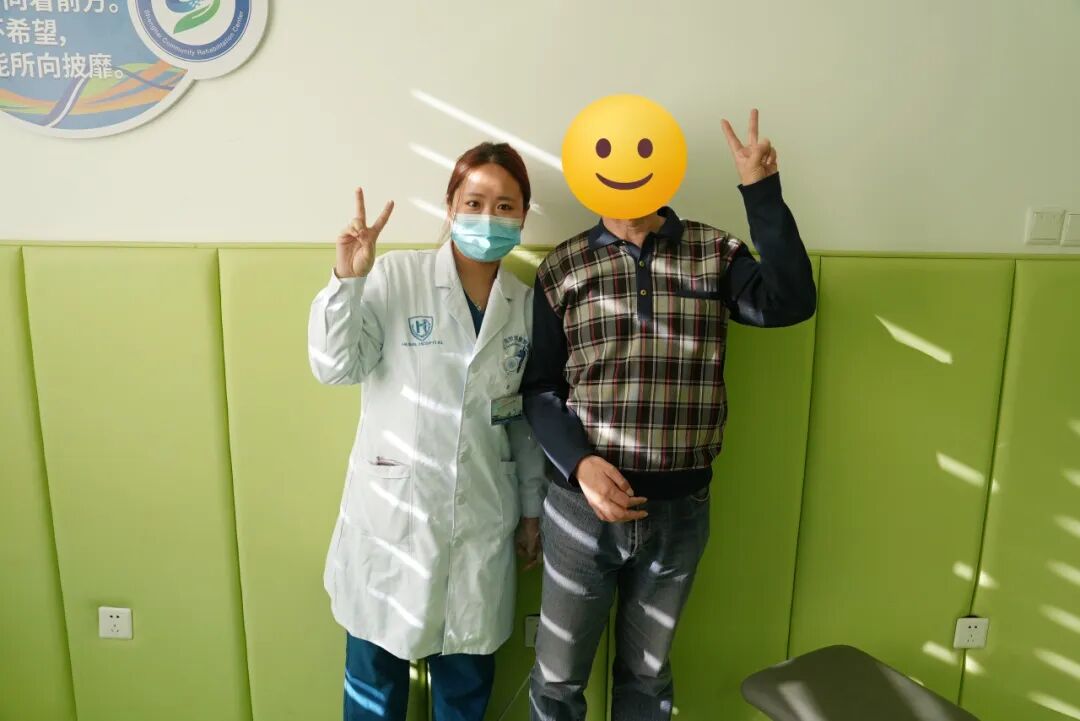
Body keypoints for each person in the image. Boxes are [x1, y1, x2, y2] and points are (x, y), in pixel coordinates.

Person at [523, 110, 817, 720]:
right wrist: (581, 465)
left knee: (647, 678)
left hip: (679, 512)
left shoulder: (714, 252)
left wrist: (761, 191)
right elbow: (541, 389)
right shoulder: (563, 267)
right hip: (580, 508)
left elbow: (790, 303)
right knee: (557, 679)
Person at [308, 142, 547, 721]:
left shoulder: (525, 303)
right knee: (374, 686)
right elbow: (335, 367)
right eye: (475, 202)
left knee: (465, 683)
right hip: (392, 520)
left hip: (482, 517)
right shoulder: (397, 276)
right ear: (450, 207)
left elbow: (522, 421)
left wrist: (530, 511)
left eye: (505, 206)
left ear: (522, 216)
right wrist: (347, 280)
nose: (488, 217)